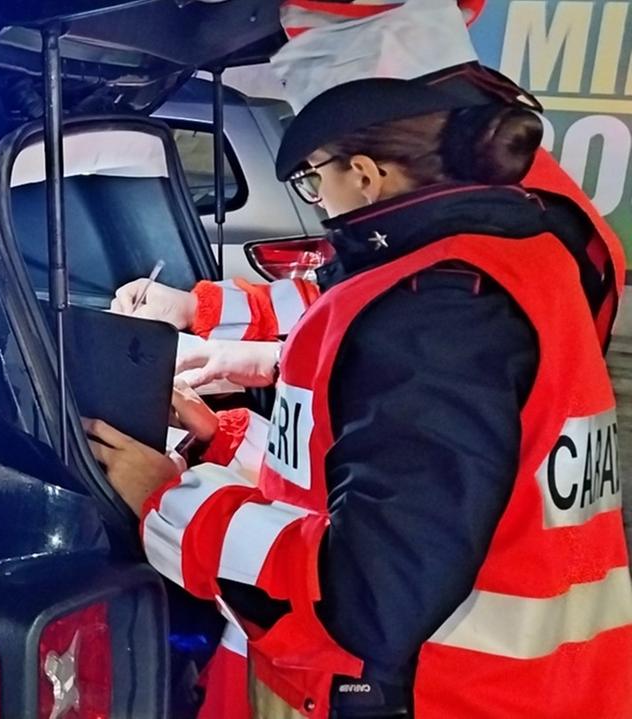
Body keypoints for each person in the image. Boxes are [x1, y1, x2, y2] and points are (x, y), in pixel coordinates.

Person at [89, 76, 632, 718]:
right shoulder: (521, 255)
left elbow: (364, 597)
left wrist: (171, 501)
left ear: (368, 175)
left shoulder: (435, 315)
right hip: (544, 686)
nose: (317, 201)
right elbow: (402, 480)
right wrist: (225, 444)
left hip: (440, 694)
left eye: (315, 179)